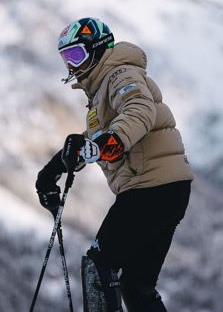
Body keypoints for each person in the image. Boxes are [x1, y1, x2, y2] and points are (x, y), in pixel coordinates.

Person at [35, 17, 194, 312]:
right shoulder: (101, 93)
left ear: (96, 50)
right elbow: (93, 139)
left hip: (149, 187)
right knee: (136, 285)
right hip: (169, 189)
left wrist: (113, 141)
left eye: (75, 56)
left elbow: (139, 109)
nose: (71, 67)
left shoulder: (119, 73)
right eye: (66, 59)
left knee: (99, 267)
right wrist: (54, 168)